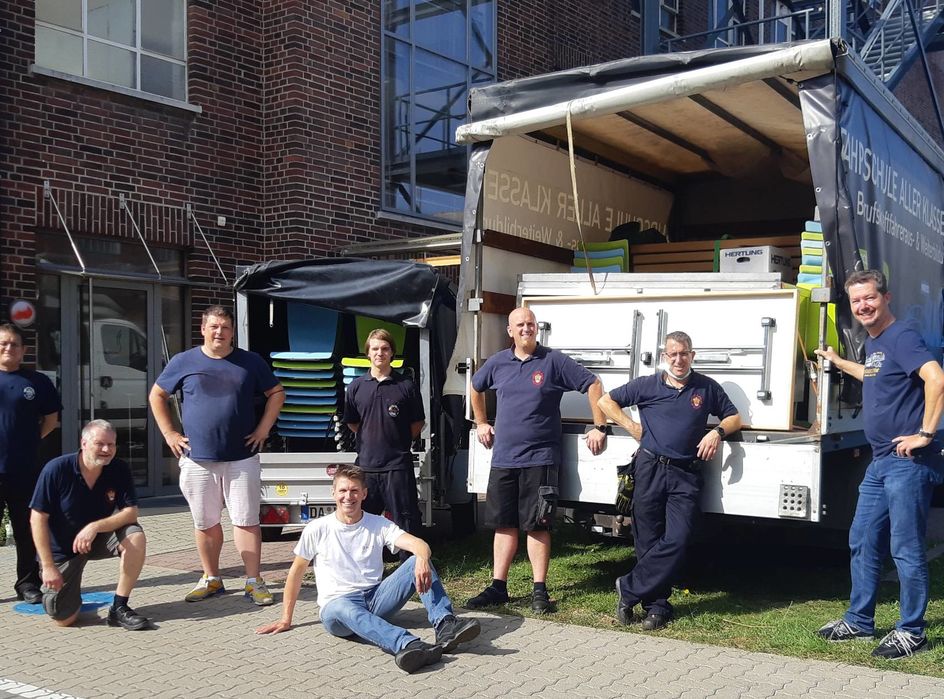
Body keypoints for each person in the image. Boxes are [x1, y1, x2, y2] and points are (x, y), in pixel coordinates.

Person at [814, 270, 944, 660]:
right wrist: (838, 361)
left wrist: (925, 433)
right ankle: (859, 620)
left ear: (885, 297)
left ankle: (912, 630)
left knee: (904, 547)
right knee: (863, 538)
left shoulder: (901, 336)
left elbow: (936, 379)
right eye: (856, 301)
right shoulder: (876, 345)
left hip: (909, 461)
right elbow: (874, 375)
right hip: (880, 463)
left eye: (869, 298)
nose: (863, 306)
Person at [255, 464, 480, 673]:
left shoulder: (378, 523)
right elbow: (296, 573)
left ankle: (446, 627)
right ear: (333, 494)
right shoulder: (317, 529)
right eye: (343, 490)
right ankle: (409, 644)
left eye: (354, 491)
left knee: (417, 561)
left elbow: (418, 544)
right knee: (343, 606)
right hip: (337, 611)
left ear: (364, 494)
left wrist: (421, 558)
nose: (348, 496)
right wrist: (286, 618)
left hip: (375, 599)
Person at [466, 307, 607, 614]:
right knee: (503, 524)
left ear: (537, 328)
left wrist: (599, 426)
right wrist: (481, 422)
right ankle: (498, 587)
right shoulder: (497, 363)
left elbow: (593, 384)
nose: (527, 328)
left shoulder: (553, 361)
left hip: (540, 459)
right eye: (521, 324)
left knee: (537, 525)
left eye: (531, 324)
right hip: (504, 458)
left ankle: (539, 590)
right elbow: (475, 388)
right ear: (510, 331)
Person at [599, 330, 741, 631]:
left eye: (684, 353)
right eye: (673, 354)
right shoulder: (647, 385)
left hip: (685, 473)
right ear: (665, 356)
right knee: (647, 540)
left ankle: (629, 587)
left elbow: (733, 417)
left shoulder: (706, 387)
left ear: (692, 355)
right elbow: (606, 401)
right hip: (650, 468)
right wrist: (631, 426)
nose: (679, 359)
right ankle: (657, 606)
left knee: (678, 538)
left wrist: (717, 432)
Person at [149, 305, 285, 606]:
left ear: (232, 330)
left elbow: (276, 392)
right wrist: (169, 434)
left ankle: (254, 581)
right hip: (197, 458)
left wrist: (263, 428)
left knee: (247, 520)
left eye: (224, 327)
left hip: (242, 457)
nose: (219, 332)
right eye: (213, 326)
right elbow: (157, 394)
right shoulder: (183, 361)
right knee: (205, 521)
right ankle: (211, 579)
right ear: (203, 328)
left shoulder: (250, 362)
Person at [29, 420, 149, 630]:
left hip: (97, 538)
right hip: (63, 550)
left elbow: (131, 512)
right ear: (83, 443)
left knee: (135, 535)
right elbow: (37, 518)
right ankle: (72, 595)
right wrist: (48, 567)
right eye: (100, 443)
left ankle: (119, 608)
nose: (106, 450)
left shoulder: (118, 469)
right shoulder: (56, 470)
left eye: (111, 445)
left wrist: (94, 527)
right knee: (63, 619)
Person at [343, 328, 424, 547]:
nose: (380, 353)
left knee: (406, 520)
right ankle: (363, 569)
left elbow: (418, 422)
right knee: (363, 522)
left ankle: (411, 570)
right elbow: (352, 422)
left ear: (392, 353)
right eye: (375, 349)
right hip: (366, 467)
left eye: (385, 349)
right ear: (368, 353)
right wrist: (371, 436)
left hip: (397, 466)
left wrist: (397, 440)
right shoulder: (356, 387)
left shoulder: (405, 386)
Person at [0, 322, 61, 604]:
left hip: (24, 469)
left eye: (14, 344)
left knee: (27, 530)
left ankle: (27, 584)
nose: (8, 348)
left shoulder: (37, 382)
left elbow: (51, 419)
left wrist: (30, 440)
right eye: (3, 343)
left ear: (23, 350)